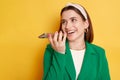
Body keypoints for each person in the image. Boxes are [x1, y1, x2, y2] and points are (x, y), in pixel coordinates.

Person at [42, 2, 111, 80]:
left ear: (86, 24)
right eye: (64, 22)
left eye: (73, 20)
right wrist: (59, 53)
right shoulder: (51, 49)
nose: (67, 26)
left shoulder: (99, 53)